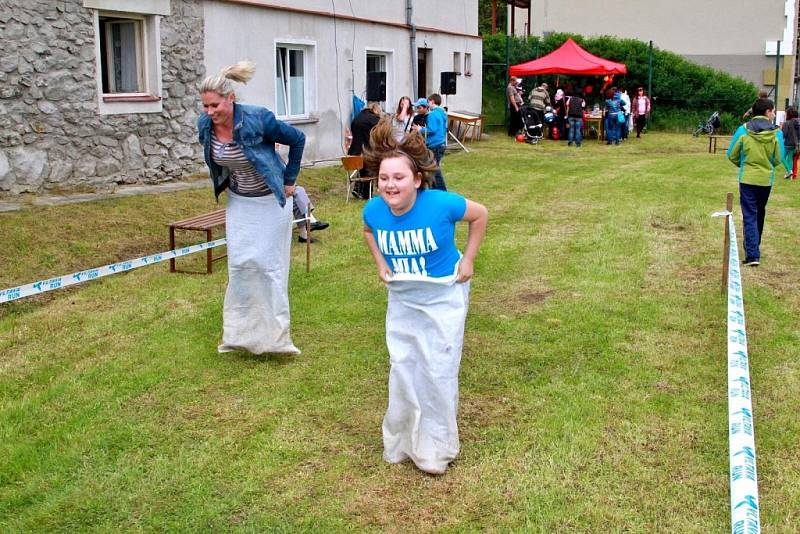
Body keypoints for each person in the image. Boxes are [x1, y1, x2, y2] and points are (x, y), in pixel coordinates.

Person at [361, 117, 488, 475]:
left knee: (437, 369)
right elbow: (368, 231)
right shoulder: (373, 210)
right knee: (403, 367)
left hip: (444, 296)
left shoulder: (440, 204)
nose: (390, 185)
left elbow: (480, 216)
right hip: (403, 296)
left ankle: (436, 445)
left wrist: (469, 260)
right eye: (384, 178)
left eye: (399, 177)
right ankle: (401, 441)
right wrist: (380, 262)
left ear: (417, 180)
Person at [198, 60, 303, 354]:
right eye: (206, 106)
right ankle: (239, 335)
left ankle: (275, 338)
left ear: (231, 98)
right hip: (239, 203)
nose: (210, 112)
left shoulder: (258, 118)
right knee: (241, 265)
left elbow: (298, 139)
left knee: (269, 267)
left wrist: (290, 179)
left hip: (270, 202)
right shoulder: (205, 125)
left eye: (215, 105)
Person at [727, 98, 783, 266]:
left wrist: (743, 164)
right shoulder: (776, 133)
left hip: (747, 178)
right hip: (766, 180)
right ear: (767, 112)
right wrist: (767, 165)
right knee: (760, 212)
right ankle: (754, 246)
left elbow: (731, 154)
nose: (773, 114)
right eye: (773, 111)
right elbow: (778, 159)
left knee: (749, 214)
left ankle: (752, 253)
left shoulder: (743, 130)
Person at [412, 94, 447, 191]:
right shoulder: (442, 112)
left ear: (432, 101)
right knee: (433, 168)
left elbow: (432, 129)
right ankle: (435, 190)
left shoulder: (432, 114)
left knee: (434, 170)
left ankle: (442, 191)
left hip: (434, 145)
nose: (428, 104)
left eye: (428, 102)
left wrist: (420, 129)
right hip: (441, 143)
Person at [348, 101, 383, 198]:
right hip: (367, 150)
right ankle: (366, 193)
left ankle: (357, 188)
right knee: (371, 168)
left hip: (355, 150)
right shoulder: (375, 119)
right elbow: (380, 133)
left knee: (362, 168)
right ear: (377, 110)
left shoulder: (358, 116)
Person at [781, 106, 800, 180]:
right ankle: (790, 176)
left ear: (789, 114)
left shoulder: (786, 123)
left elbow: (784, 134)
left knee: (781, 157)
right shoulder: (798, 123)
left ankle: (789, 171)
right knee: (789, 159)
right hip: (795, 144)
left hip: (787, 143)